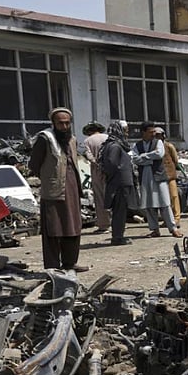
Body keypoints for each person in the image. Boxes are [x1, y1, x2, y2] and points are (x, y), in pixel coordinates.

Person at [28, 107, 87, 271]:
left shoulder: (72, 139)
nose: (65, 127)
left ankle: (70, 262)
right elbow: (34, 164)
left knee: (73, 227)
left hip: (72, 189)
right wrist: (49, 178)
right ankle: (53, 266)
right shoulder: (45, 139)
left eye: (67, 123)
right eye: (61, 123)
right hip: (53, 191)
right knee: (54, 229)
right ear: (53, 123)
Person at [132, 121, 182, 238]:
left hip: (159, 176)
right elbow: (134, 158)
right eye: (150, 132)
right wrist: (150, 158)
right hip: (145, 177)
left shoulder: (158, 142)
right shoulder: (137, 145)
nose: (153, 134)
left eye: (154, 131)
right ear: (143, 132)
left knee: (164, 203)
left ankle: (173, 228)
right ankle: (155, 229)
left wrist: (144, 157)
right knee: (149, 205)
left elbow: (159, 154)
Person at [100, 121, 136, 245]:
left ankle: (119, 235)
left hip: (121, 182)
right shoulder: (115, 146)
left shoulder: (117, 145)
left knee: (121, 210)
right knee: (119, 211)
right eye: (125, 130)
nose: (127, 133)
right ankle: (117, 237)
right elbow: (112, 164)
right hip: (119, 183)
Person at [82, 121, 110, 233]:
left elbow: (89, 155)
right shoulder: (108, 137)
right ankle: (116, 222)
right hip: (111, 170)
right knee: (112, 195)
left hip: (97, 172)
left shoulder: (87, 141)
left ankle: (104, 224)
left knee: (100, 198)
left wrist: (97, 163)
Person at [155, 127, 181, 228]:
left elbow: (175, 160)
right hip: (159, 176)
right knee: (163, 200)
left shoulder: (169, 146)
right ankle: (167, 219)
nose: (157, 137)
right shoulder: (154, 148)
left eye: (159, 135)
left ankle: (176, 218)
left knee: (174, 197)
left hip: (169, 175)